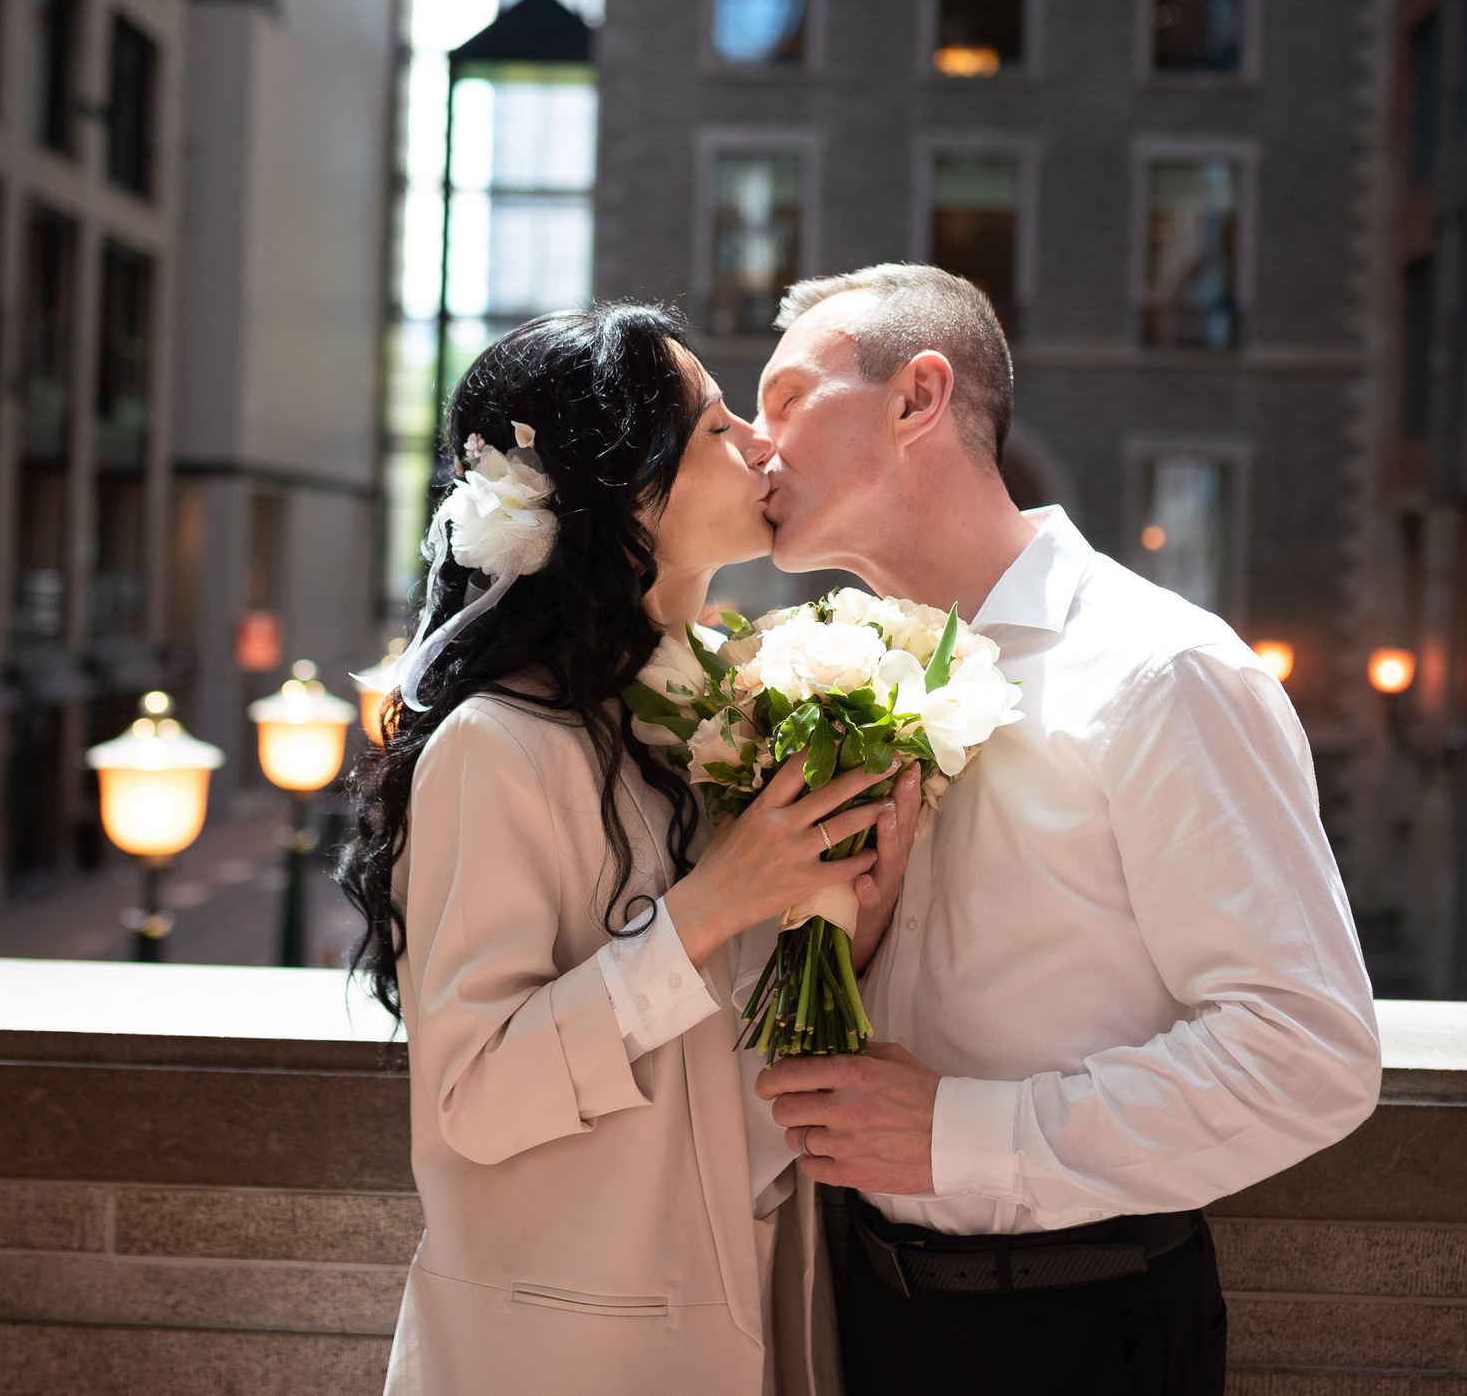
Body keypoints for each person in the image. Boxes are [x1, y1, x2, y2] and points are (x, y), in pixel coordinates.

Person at [746, 265, 1382, 1396]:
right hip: (857, 1308)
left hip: (1078, 1326)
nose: (755, 443)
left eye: (786, 397)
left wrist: (963, 1133)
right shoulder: (838, 673)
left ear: (916, 397)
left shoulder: (1158, 669)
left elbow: (1306, 1053)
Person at [343, 302, 920, 1396]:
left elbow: (740, 1048)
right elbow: (474, 1095)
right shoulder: (497, 745)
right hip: (570, 1349)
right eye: (711, 424)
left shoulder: (741, 713)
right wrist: (715, 900)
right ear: (624, 493)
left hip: (769, 1307)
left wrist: (848, 917)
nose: (757, 435)